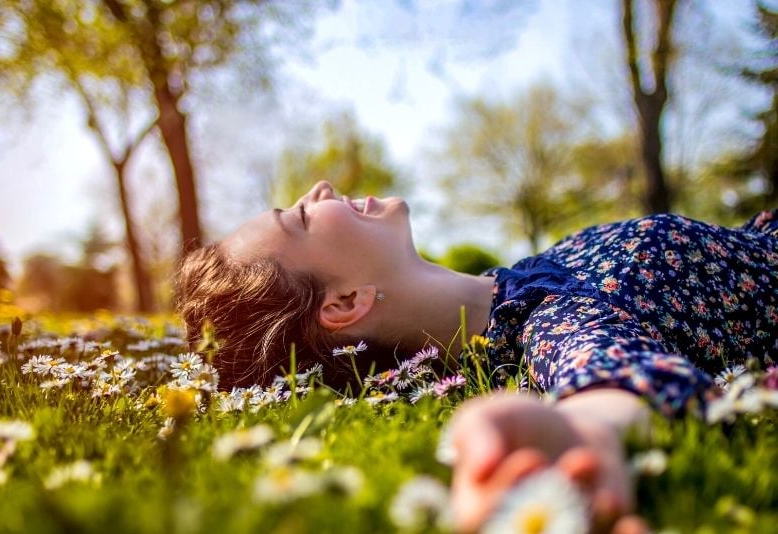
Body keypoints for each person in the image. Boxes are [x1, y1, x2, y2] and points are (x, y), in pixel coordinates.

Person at [175, 180, 778, 532]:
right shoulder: (549, 324)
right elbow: (608, 380)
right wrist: (579, 438)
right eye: (303, 215)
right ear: (344, 304)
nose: (321, 188)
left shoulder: (526, 280)